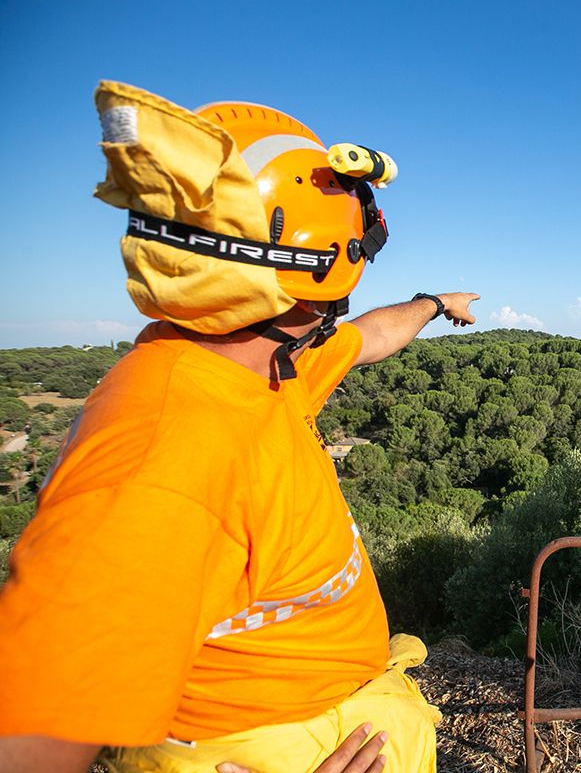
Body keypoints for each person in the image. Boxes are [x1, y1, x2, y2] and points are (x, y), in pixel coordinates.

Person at [0, 81, 478, 772]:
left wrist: (433, 304)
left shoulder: (262, 369)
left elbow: (370, 336)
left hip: (332, 719)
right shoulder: (167, 457)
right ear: (320, 273)